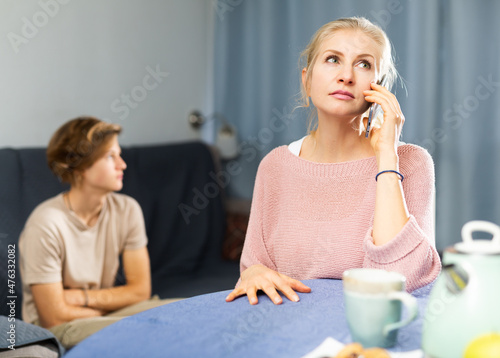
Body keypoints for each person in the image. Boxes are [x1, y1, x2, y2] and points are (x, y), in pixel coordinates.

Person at [226, 17, 441, 306]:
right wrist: (253, 275)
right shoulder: (274, 166)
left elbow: (400, 281)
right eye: (332, 59)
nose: (346, 76)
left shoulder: (412, 162)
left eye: (364, 64)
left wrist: (387, 157)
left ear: (380, 89)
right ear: (307, 79)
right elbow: (254, 268)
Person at [19, 117, 178, 349]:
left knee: (189, 312)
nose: (122, 165)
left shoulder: (127, 209)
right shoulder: (45, 224)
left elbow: (141, 291)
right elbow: (53, 316)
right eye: (110, 156)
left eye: (119, 154)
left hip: (102, 310)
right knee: (150, 330)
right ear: (81, 166)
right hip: (57, 325)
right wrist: (111, 307)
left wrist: (81, 298)